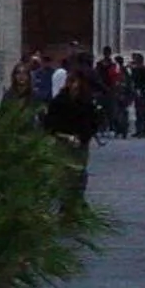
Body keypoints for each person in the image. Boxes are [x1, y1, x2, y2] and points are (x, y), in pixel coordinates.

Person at [43, 69, 100, 199]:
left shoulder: (86, 102)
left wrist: (83, 137)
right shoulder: (59, 101)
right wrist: (65, 136)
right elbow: (51, 124)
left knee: (79, 175)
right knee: (63, 176)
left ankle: (76, 201)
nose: (75, 86)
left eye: (77, 83)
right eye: (72, 82)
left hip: (81, 144)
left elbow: (92, 123)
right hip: (63, 143)